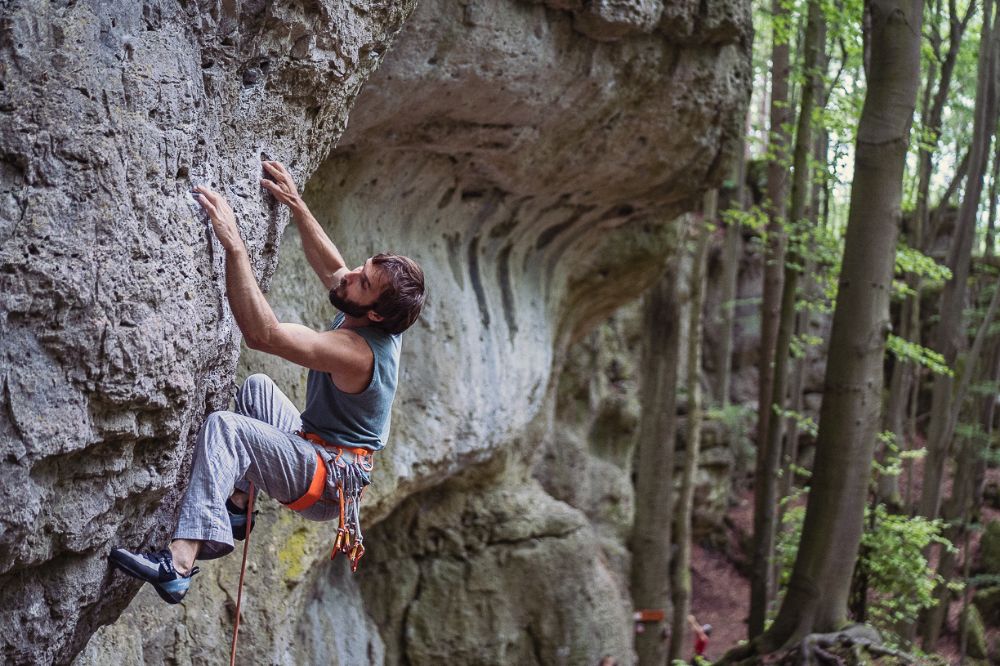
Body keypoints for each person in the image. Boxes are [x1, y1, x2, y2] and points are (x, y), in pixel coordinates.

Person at [109, 160, 426, 603]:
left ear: (374, 312)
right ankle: (237, 508)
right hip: (323, 451)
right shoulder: (370, 312)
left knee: (227, 428)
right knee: (257, 388)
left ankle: (177, 565)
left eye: (363, 281)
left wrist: (234, 246)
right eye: (363, 267)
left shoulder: (357, 352)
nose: (350, 276)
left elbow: (264, 335)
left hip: (326, 480)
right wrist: (296, 205)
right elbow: (334, 270)